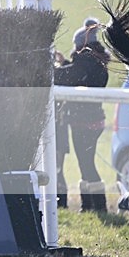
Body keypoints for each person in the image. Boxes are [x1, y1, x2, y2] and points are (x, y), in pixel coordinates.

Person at [54, 18, 111, 212]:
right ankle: (89, 206)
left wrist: (53, 67)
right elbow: (78, 75)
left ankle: (96, 206)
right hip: (95, 119)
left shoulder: (84, 64)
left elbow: (64, 77)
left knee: (86, 164)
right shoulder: (96, 63)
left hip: (82, 122)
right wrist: (66, 63)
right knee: (87, 162)